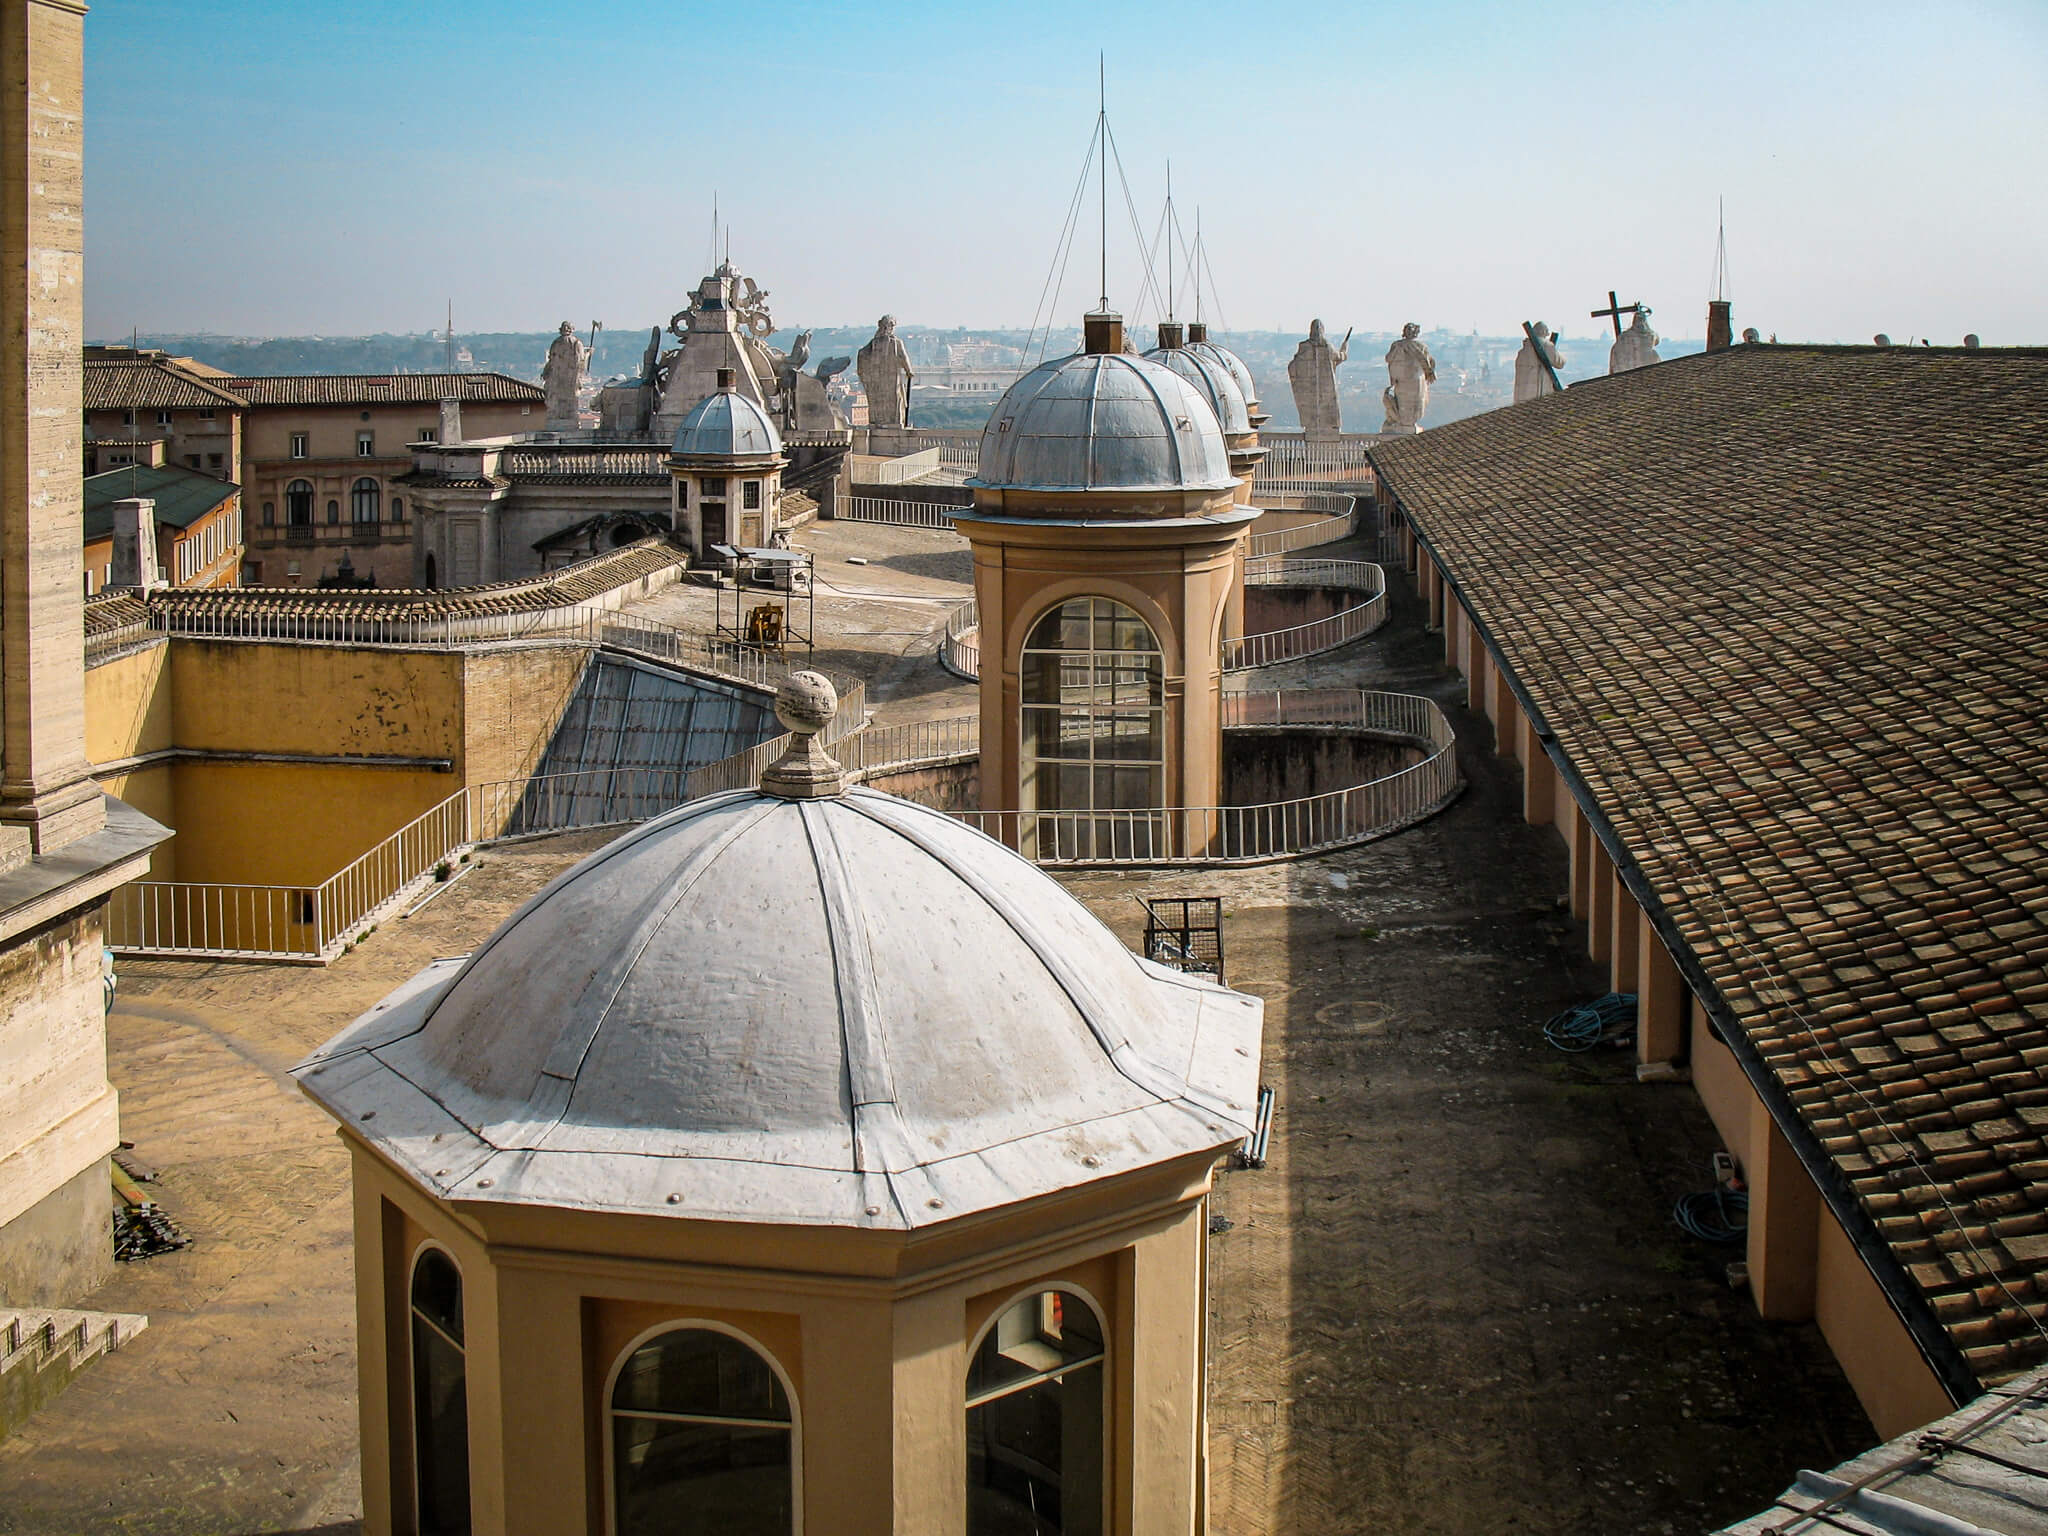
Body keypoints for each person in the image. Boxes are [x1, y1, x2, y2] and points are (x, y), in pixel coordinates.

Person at [1287, 318, 1350, 435]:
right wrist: (1344, 350)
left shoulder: (1304, 347)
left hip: (1310, 391)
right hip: (1326, 389)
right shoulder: (1326, 346)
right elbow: (1339, 357)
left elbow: (1292, 366)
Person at [857, 315, 915, 429]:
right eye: (890, 325)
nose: (891, 327)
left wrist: (909, 370)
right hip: (881, 377)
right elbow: (903, 357)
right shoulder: (880, 343)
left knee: (891, 398)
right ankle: (885, 421)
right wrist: (909, 370)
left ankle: (887, 420)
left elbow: (903, 357)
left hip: (888, 377)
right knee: (887, 398)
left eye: (892, 325)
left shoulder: (890, 342)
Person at [1380, 322, 1436, 433]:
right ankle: (1407, 424)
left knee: (1408, 402)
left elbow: (1388, 359)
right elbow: (1429, 362)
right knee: (1412, 402)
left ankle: (1406, 424)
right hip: (1410, 379)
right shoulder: (1419, 346)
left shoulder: (1398, 345)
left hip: (1405, 379)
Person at [1513, 322, 1565, 404]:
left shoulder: (1522, 352)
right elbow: (1560, 363)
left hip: (1522, 397)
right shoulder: (1547, 345)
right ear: (1544, 332)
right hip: (1539, 394)